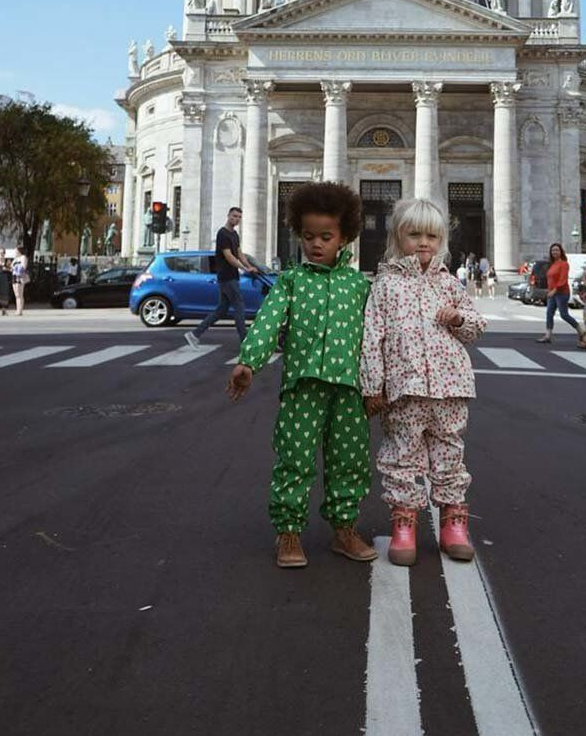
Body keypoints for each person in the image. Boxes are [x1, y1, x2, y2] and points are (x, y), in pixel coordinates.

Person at [227, 182, 376, 570]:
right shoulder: (291, 281)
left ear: (345, 237)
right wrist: (248, 362)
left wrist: (379, 385)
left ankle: (345, 529)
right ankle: (289, 531)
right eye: (309, 236)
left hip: (349, 390)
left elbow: (376, 339)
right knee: (294, 460)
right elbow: (266, 322)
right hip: (302, 387)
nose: (316, 244)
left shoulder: (360, 286)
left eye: (326, 236)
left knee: (350, 462)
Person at [360, 198, 486, 566]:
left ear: (443, 239)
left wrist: (458, 319)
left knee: (450, 454)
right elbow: (373, 336)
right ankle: (404, 525)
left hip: (451, 388)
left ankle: (454, 523)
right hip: (405, 389)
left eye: (432, 235)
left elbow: (476, 327)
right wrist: (372, 386)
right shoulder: (385, 285)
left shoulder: (450, 284)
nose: (423, 242)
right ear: (398, 237)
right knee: (402, 457)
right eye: (414, 234)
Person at [185, 207, 258, 350]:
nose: (236, 219)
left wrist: (249, 266)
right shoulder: (222, 234)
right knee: (239, 305)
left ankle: (194, 334)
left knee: (221, 310)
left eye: (239, 217)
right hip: (226, 276)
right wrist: (244, 269)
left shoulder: (235, 235)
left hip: (232, 276)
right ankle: (245, 340)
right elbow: (229, 256)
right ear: (228, 216)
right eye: (234, 216)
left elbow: (239, 253)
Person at [537, 242, 585, 346]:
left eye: (557, 250)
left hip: (561, 293)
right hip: (552, 293)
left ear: (561, 252)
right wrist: (549, 290)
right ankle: (548, 335)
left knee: (564, 314)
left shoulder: (564, 264)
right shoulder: (552, 264)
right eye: (553, 250)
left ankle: (581, 330)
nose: (554, 252)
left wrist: (554, 290)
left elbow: (562, 280)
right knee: (549, 313)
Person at [11, 243, 29, 316]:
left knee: (19, 294)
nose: (15, 252)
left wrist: (16, 268)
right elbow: (12, 266)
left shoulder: (23, 257)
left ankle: (20, 310)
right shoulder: (15, 259)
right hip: (14, 276)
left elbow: (23, 267)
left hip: (20, 276)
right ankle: (17, 309)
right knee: (16, 294)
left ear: (19, 251)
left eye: (16, 251)